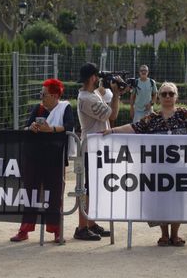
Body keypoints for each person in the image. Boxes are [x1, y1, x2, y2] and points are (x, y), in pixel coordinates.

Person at [103, 82, 187, 246]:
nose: (167, 97)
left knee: (179, 200)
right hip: (157, 169)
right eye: (164, 94)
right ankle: (164, 235)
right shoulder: (151, 118)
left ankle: (175, 234)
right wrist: (112, 131)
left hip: (180, 168)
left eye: (171, 94)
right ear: (158, 97)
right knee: (160, 201)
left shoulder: (184, 114)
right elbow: (133, 128)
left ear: (176, 96)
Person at [11, 78, 75, 243]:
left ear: (54, 96)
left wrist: (51, 129)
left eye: (43, 94)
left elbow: (69, 126)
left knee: (54, 195)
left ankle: (56, 231)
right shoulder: (38, 109)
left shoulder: (65, 108)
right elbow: (26, 127)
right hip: (35, 157)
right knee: (30, 193)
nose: (41, 97)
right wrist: (31, 127)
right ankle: (24, 229)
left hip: (55, 159)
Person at [75, 62, 121, 241]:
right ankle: (81, 227)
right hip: (90, 148)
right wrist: (116, 93)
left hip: (96, 147)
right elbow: (113, 114)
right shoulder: (87, 99)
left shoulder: (90, 93)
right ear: (92, 78)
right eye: (97, 76)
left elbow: (101, 92)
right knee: (87, 188)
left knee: (94, 187)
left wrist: (111, 85)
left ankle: (90, 223)